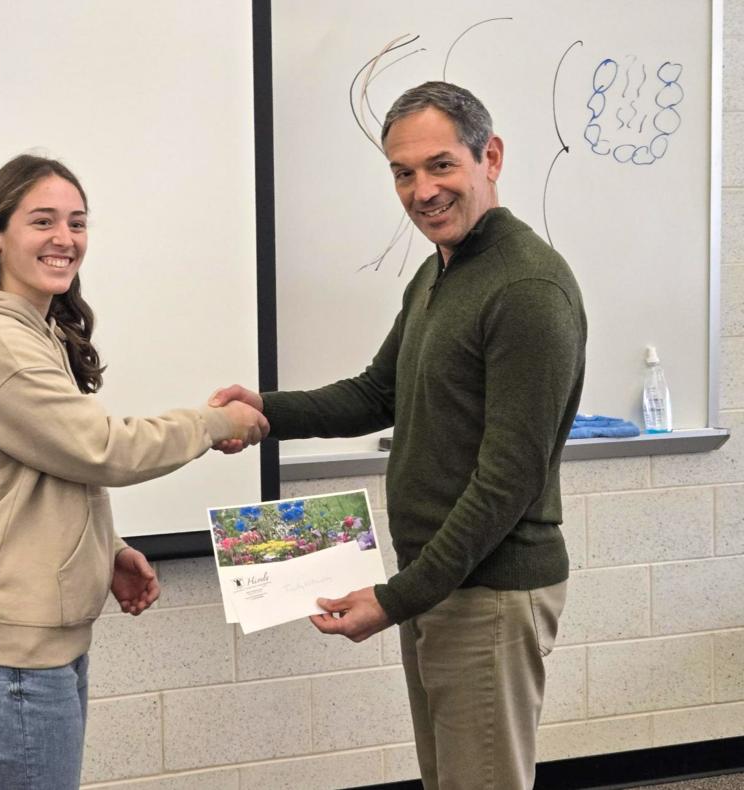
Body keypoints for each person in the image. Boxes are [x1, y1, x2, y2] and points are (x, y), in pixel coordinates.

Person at [212, 82, 586, 790]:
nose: (422, 191)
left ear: (491, 157)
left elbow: (506, 481)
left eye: (441, 165)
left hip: (488, 593)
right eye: (402, 173)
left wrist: (395, 597)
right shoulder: (440, 271)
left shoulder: (526, 288)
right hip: (443, 585)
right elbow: (378, 391)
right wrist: (264, 412)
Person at [0, 153, 267, 789]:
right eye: (43, 221)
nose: (65, 239)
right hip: (10, 661)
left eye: (77, 223)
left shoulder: (37, 330)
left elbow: (48, 471)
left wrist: (105, 549)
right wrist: (217, 422)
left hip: (33, 651)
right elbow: (102, 449)